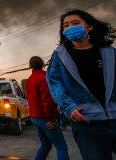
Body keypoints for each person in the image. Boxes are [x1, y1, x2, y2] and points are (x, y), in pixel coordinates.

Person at [47, 9, 116, 160]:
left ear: (89, 26)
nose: (70, 27)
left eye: (75, 23)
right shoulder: (60, 55)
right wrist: (69, 108)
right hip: (87, 121)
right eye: (66, 25)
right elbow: (55, 84)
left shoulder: (109, 52)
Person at [25, 56, 69, 160]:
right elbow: (48, 101)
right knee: (61, 147)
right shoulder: (43, 79)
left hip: (34, 117)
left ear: (30, 66)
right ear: (43, 64)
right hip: (45, 118)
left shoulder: (29, 80)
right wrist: (51, 119)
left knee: (45, 145)